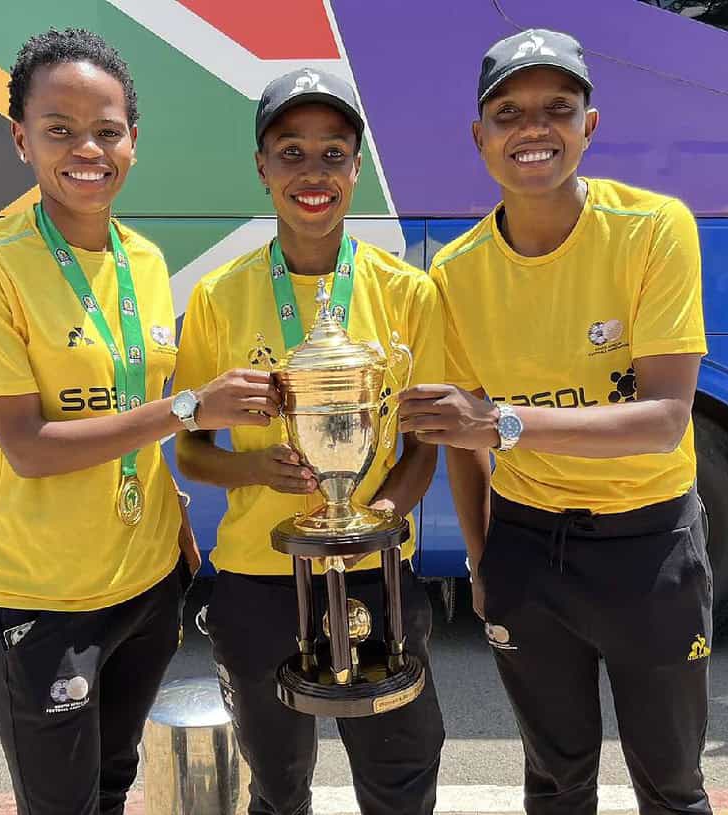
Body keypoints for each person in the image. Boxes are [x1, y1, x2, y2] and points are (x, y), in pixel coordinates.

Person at [0, 28, 278, 815]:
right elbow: (27, 448)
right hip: (45, 596)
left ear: (133, 140)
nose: (87, 149)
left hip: (149, 581)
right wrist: (188, 408)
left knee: (116, 781)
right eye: (59, 129)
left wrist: (173, 513)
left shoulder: (144, 261)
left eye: (106, 130)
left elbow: (129, 407)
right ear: (21, 139)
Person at [397, 29, 712, 815]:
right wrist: (481, 561)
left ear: (588, 126)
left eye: (556, 109)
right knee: (554, 779)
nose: (531, 129)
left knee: (671, 784)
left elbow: (663, 419)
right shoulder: (456, 272)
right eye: (508, 113)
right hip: (526, 548)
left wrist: (499, 422)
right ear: (479, 137)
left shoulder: (653, 227)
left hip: (649, 545)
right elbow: (463, 446)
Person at [172, 68, 446, 815]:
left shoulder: (408, 293)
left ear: (357, 170)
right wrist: (254, 467)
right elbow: (190, 451)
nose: (313, 172)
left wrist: (375, 518)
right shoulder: (219, 296)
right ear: (262, 167)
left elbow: (424, 445)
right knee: (277, 786)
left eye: (333, 153)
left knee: (400, 782)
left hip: (377, 575)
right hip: (259, 579)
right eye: (290, 152)